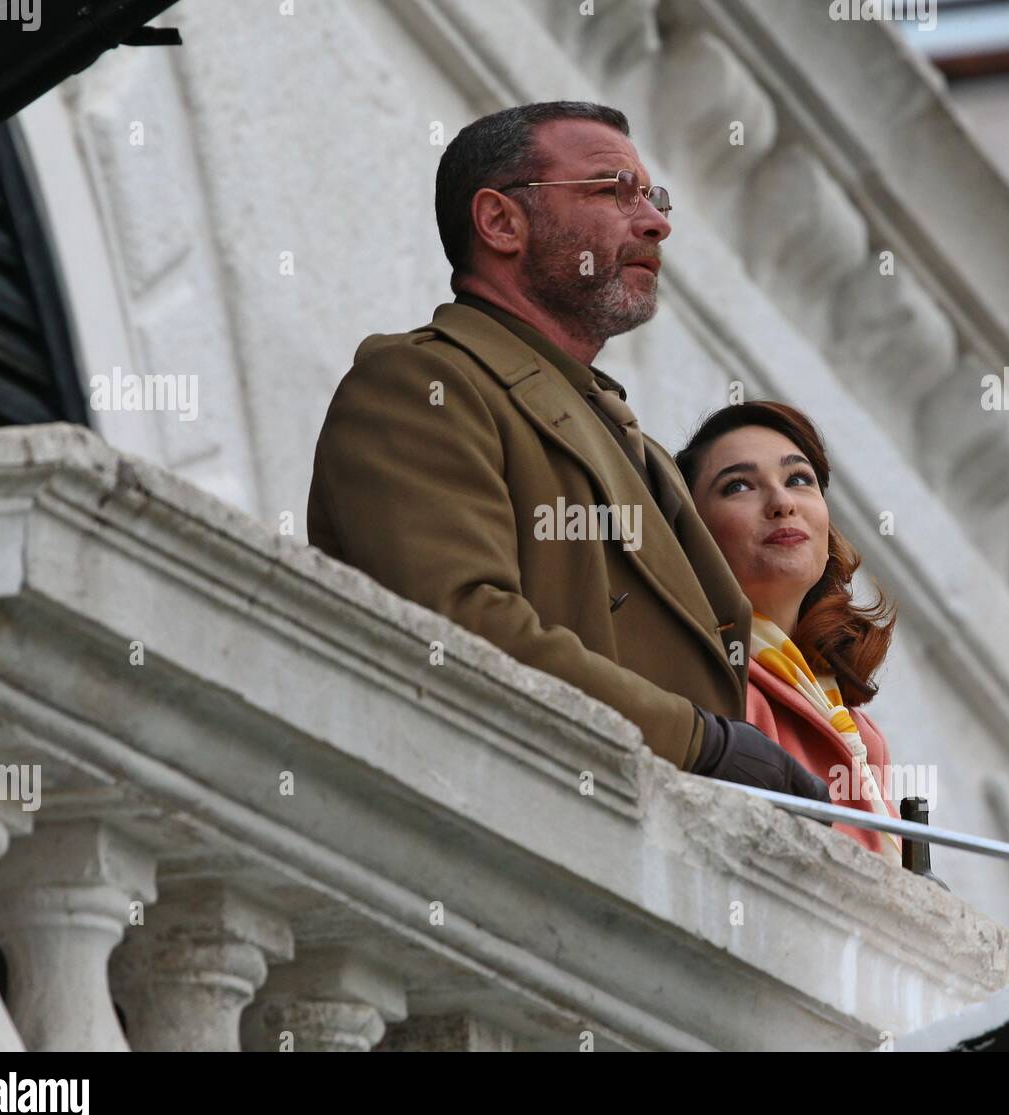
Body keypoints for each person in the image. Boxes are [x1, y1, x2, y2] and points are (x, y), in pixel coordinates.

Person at [307, 102, 827, 802]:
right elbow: (463, 629)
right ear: (500, 222)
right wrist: (699, 743)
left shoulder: (621, 431)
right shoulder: (423, 384)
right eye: (613, 190)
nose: (655, 222)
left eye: (653, 196)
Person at [675, 401, 905, 862]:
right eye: (738, 486)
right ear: (692, 533)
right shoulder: (695, 672)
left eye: (799, 479)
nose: (782, 503)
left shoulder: (858, 728)